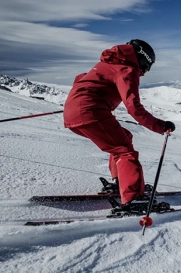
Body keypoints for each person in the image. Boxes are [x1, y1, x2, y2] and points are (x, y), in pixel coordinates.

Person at [63, 39, 175, 213]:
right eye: (148, 65)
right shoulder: (127, 69)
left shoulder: (107, 63)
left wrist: (79, 102)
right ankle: (133, 198)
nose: (147, 70)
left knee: (124, 139)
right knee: (125, 151)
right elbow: (134, 108)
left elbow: (80, 78)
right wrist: (160, 126)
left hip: (74, 112)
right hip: (90, 111)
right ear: (143, 58)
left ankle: (121, 182)